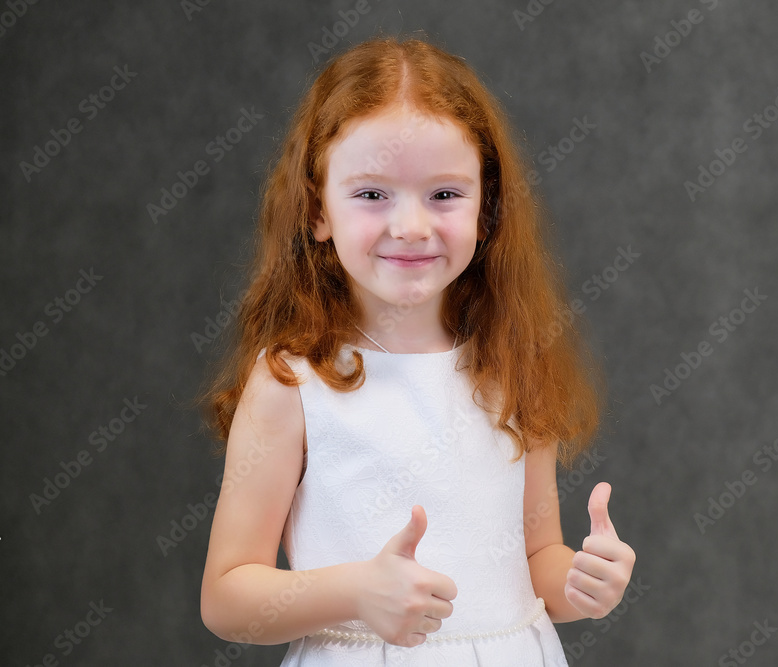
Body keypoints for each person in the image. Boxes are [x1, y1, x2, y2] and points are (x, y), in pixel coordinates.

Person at [198, 34, 636, 666]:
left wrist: (581, 583)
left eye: (445, 194)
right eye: (373, 194)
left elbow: (537, 560)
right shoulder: (293, 383)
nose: (411, 225)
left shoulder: (514, 363)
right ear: (316, 210)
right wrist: (355, 590)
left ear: (487, 210)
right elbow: (228, 598)